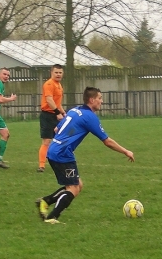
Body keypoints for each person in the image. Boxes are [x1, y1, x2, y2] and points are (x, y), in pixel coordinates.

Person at [36, 86, 135, 224]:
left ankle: (45, 201)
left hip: (54, 149)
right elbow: (107, 141)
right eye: (99, 98)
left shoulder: (75, 110)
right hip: (63, 153)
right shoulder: (90, 117)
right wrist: (126, 151)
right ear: (92, 100)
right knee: (74, 188)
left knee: (77, 184)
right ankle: (52, 217)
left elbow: (56, 128)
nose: (101, 101)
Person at [37, 64, 66, 172]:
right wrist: (58, 112)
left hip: (56, 114)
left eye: (60, 72)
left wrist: (63, 113)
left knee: (61, 139)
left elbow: (57, 102)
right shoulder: (49, 84)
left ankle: (61, 161)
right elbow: (49, 100)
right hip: (47, 116)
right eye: (56, 72)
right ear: (51, 73)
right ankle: (41, 166)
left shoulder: (59, 85)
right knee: (47, 141)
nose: (58, 74)